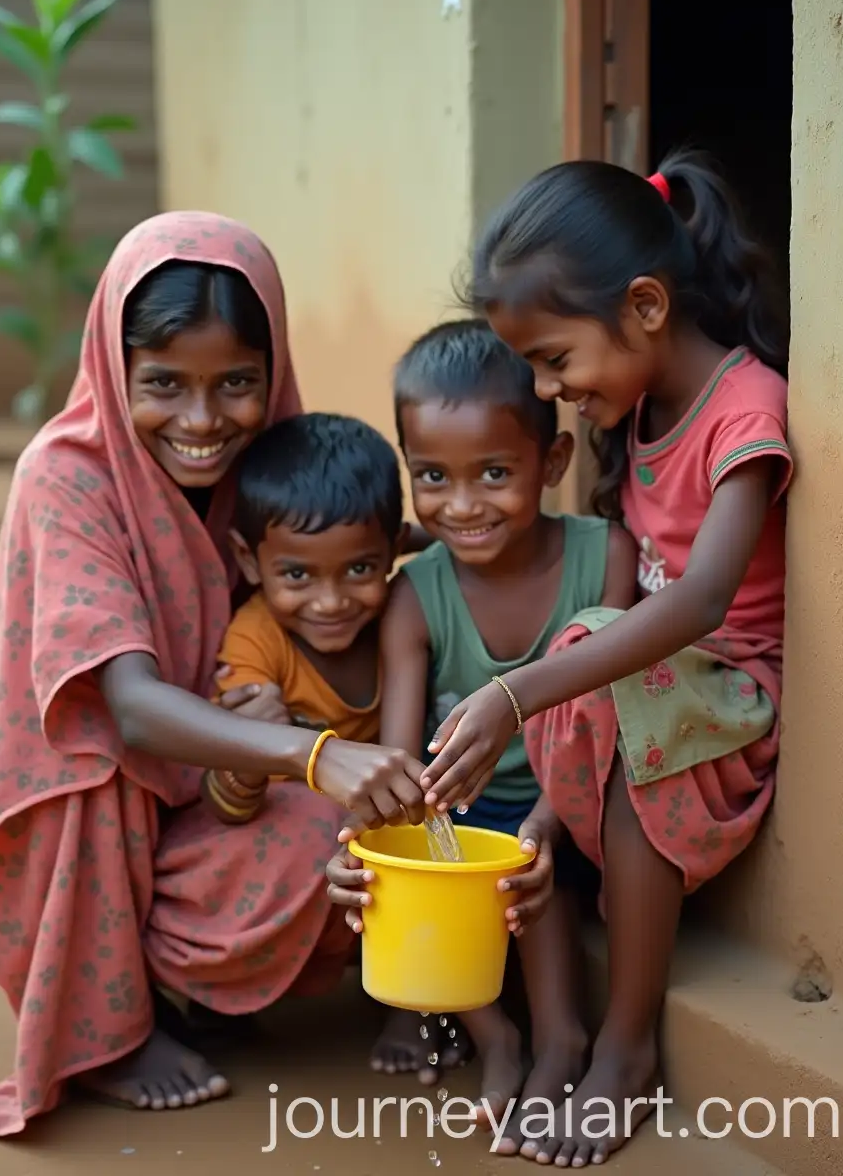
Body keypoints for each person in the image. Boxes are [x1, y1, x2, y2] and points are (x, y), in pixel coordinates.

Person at [0, 212, 431, 1138]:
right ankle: (110, 1030)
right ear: (113, 366)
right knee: (105, 766)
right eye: (165, 385)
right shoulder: (67, 479)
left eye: (237, 385)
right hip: (95, 792)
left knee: (343, 843)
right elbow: (132, 709)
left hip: (219, 781)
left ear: (275, 373)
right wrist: (312, 753)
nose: (203, 420)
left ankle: (207, 984)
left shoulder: (270, 471)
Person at [415, 151, 792, 1164]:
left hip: (734, 695)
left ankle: (626, 1047)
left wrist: (510, 692)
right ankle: (593, 1024)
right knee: (598, 648)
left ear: (645, 305)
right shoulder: (640, 417)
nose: (549, 391)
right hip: (657, 697)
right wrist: (541, 799)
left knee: (587, 646)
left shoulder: (743, 407)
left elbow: (705, 600)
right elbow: (630, 624)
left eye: (553, 360)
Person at [326, 320, 638, 1105]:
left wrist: (543, 824)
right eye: (432, 477)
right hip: (464, 810)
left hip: (576, 802)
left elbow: (604, 719)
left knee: (538, 875)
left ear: (553, 461)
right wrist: (369, 846)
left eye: (494, 472)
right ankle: (496, 1038)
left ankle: (561, 1038)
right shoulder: (415, 594)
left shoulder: (608, 557)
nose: (462, 506)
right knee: (436, 871)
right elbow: (404, 764)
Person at [204, 411, 405, 823]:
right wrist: (248, 751)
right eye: (297, 575)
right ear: (249, 560)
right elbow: (227, 809)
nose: (330, 603)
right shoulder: (255, 642)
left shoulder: (406, 611)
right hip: (293, 827)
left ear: (394, 549)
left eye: (358, 569)